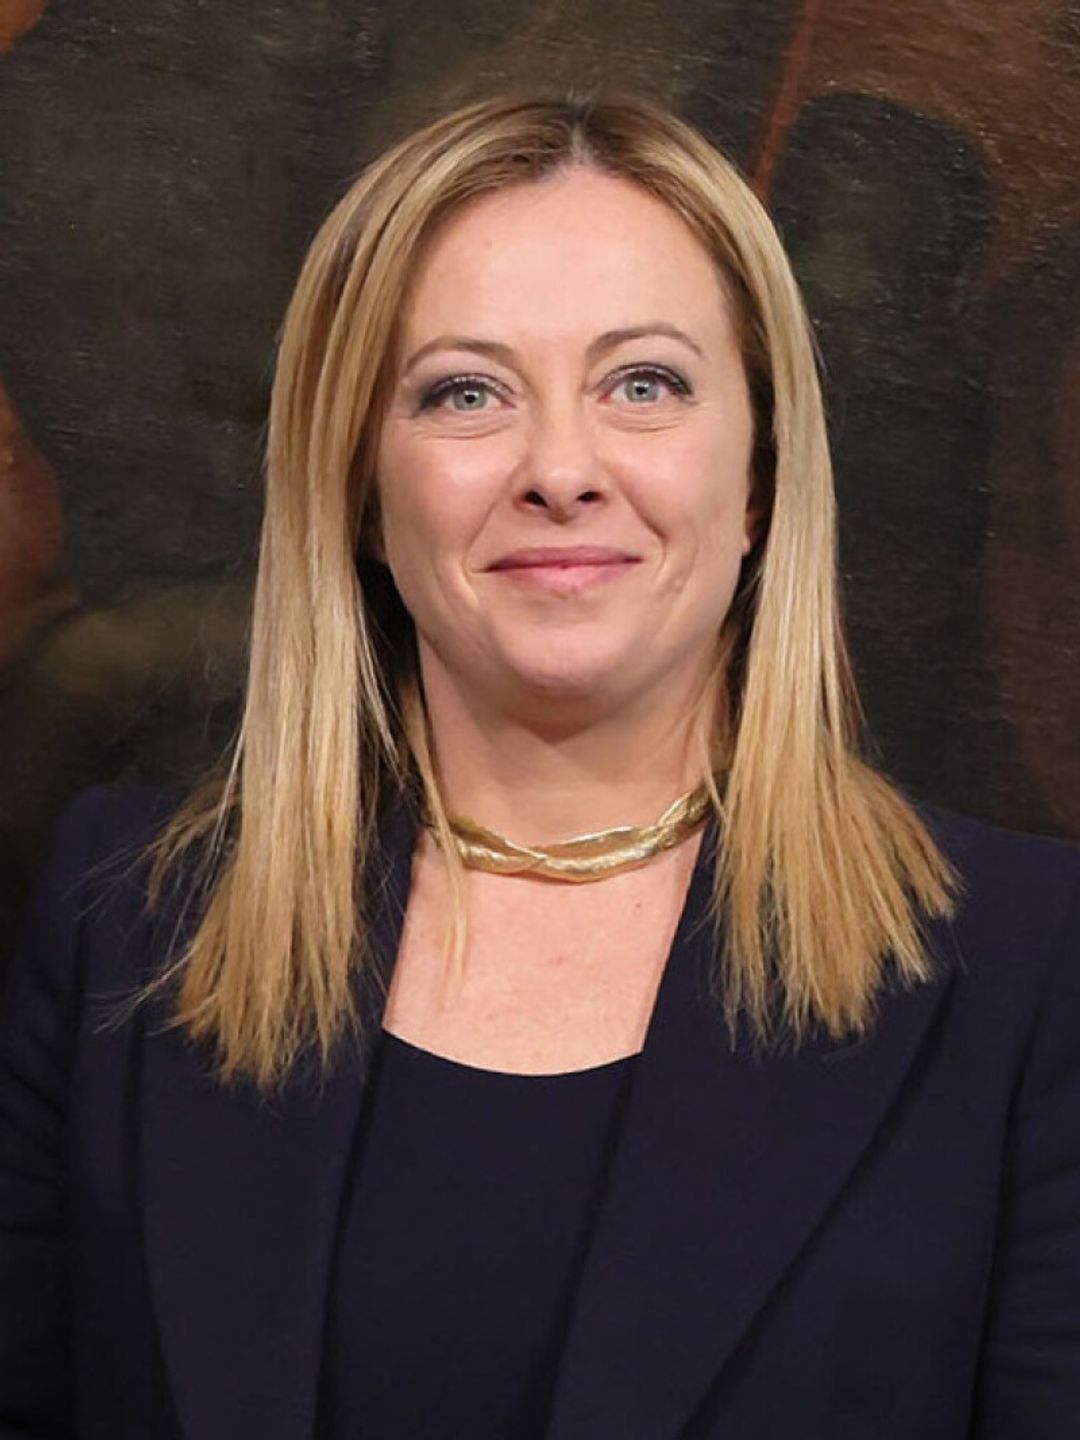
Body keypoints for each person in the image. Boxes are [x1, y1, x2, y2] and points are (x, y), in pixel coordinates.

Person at [1, 91, 1078, 1440]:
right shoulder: (125, 924)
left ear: (758, 474)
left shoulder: (1035, 970)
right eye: (466, 392)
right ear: (361, 488)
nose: (561, 469)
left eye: (645, 384)